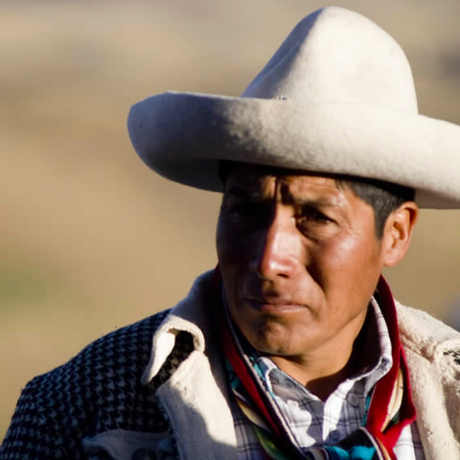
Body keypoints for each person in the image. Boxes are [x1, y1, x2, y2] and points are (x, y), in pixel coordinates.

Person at [1, 6, 460, 460]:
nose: (268, 259)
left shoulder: (449, 394)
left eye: (316, 219)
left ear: (396, 233)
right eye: (244, 211)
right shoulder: (79, 408)